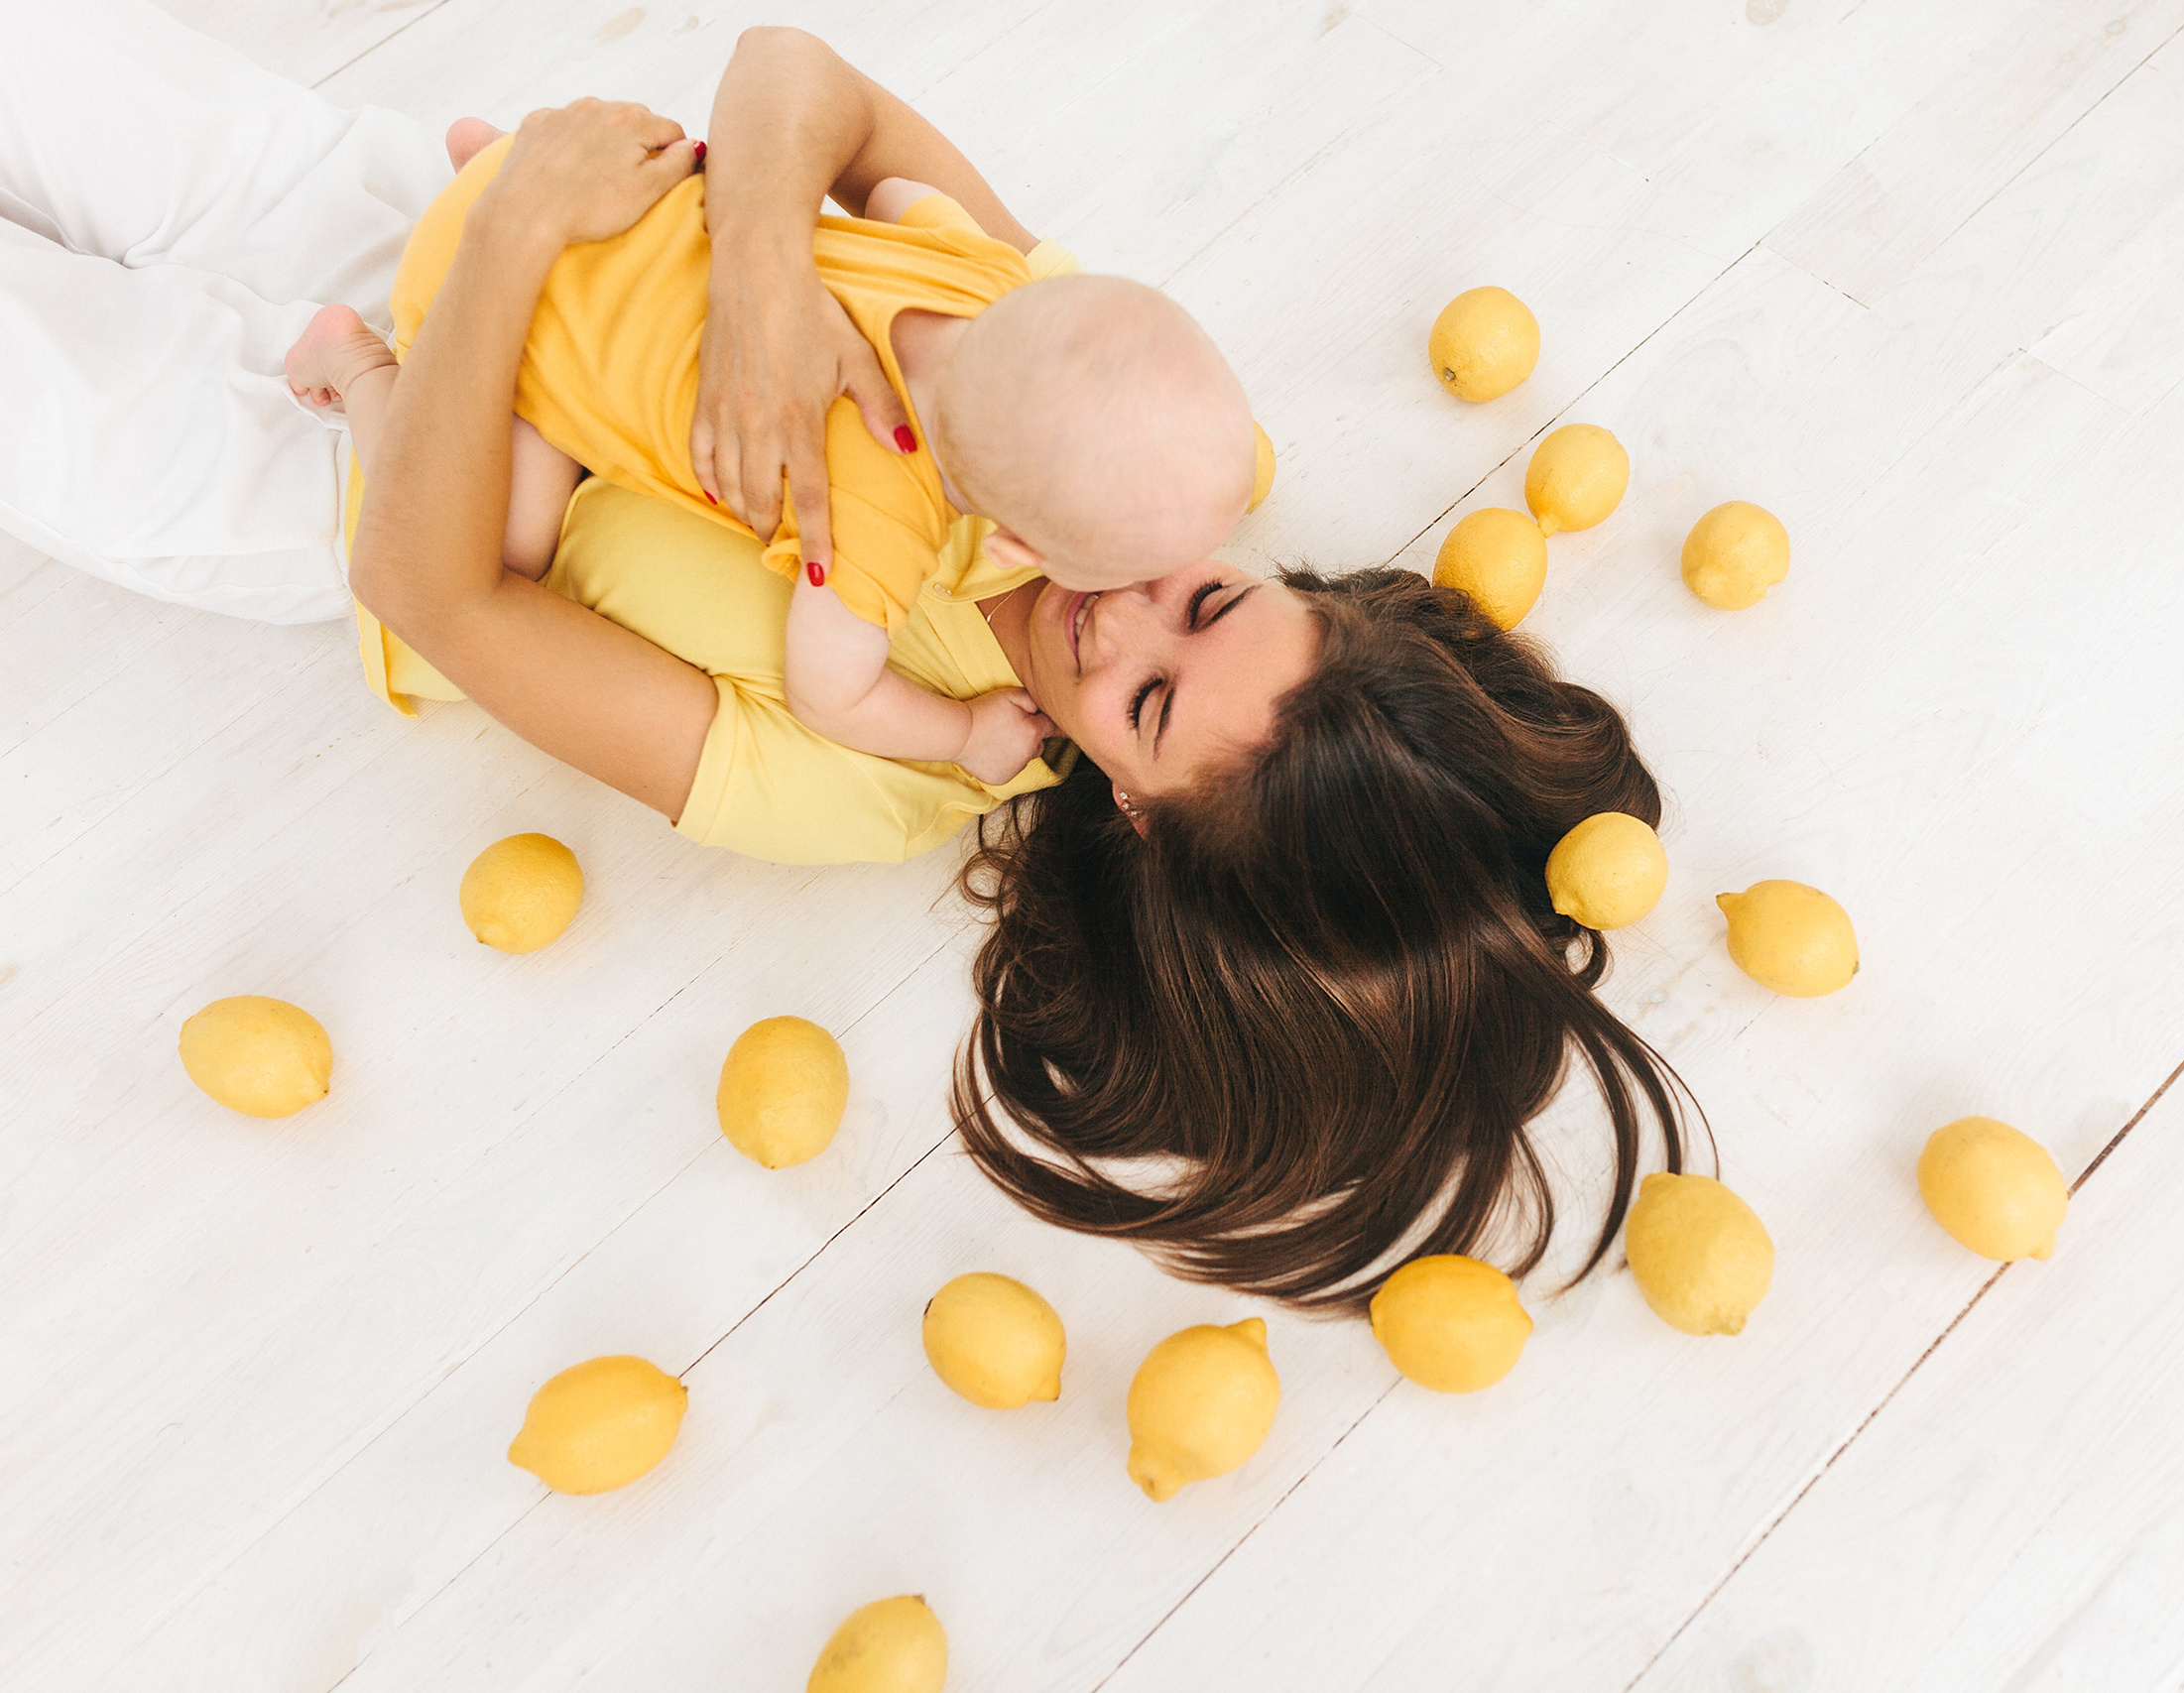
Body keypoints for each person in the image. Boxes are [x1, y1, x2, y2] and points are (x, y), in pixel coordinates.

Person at [3, 7, 1698, 1308]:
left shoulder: (867, 774)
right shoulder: (1119, 432)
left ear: (1133, 816)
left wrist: (522, 227)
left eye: (1153, 697)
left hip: (322, 467)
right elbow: (807, 83)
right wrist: (749, 270)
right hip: (406, 208)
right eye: (1219, 599)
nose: (1128, 605)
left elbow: (431, 590)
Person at [289, 114, 1258, 785]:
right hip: (498, 315)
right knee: (505, 551)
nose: (1136, 600)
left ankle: (477, 156)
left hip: (597, 184)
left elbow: (904, 189)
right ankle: (364, 367)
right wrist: (961, 733)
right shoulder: (882, 514)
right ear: (1006, 546)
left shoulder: (974, 267)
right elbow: (831, 694)